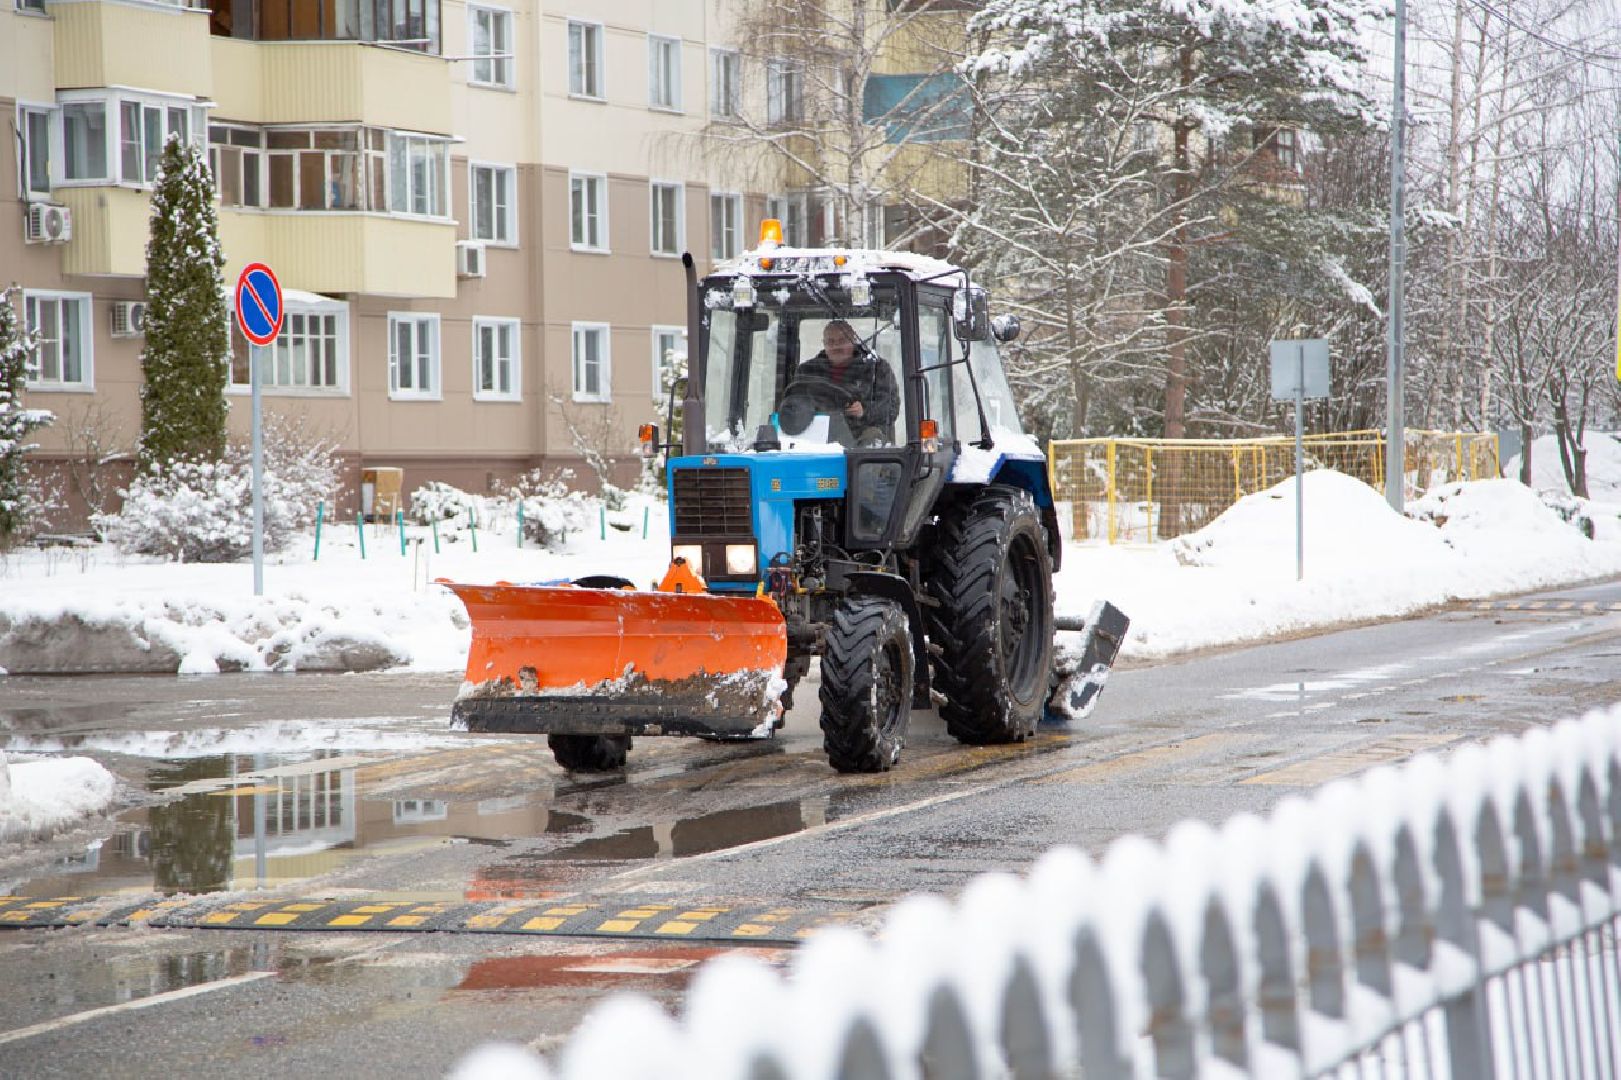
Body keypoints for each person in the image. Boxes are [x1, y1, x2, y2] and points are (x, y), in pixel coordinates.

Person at [793, 320, 901, 442]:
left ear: (853, 341)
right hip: (819, 441)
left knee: (872, 436)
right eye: (831, 342)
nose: (836, 347)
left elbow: (891, 407)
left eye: (842, 341)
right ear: (824, 344)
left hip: (863, 445)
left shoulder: (877, 369)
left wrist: (864, 411)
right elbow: (793, 405)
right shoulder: (808, 372)